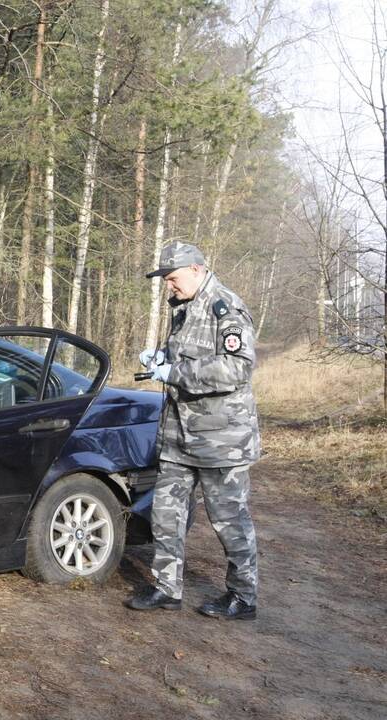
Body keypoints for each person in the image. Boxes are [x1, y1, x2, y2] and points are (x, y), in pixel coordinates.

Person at [125, 241, 261, 621]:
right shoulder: (183, 308)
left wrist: (176, 373)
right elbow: (186, 353)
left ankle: (243, 596)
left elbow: (236, 369)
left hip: (222, 440)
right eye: (166, 280)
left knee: (229, 520)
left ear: (197, 270)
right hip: (179, 436)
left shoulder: (225, 307)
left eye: (173, 278)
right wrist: (160, 359)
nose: (169, 286)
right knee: (166, 514)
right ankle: (166, 588)